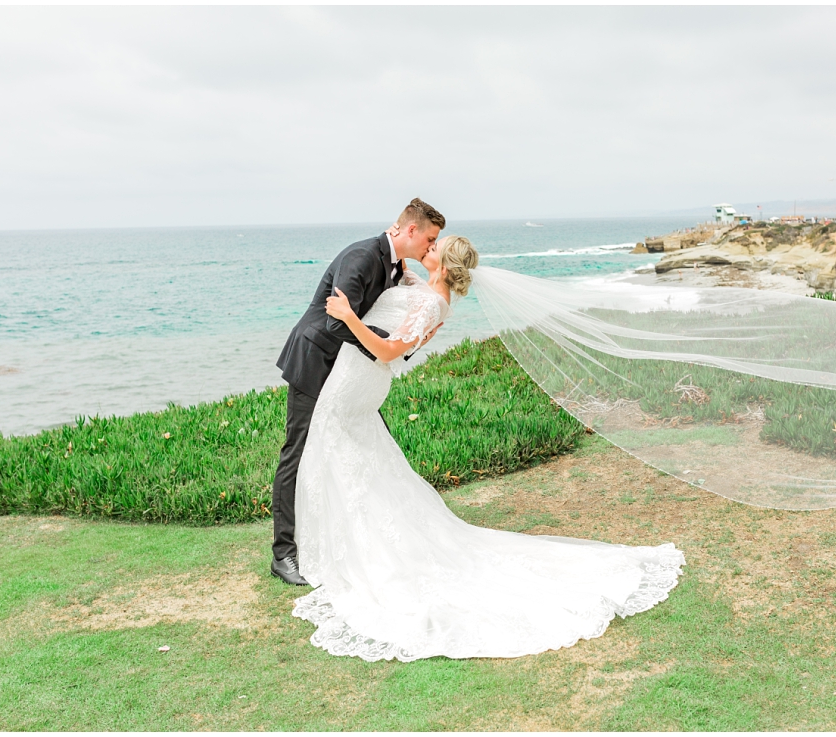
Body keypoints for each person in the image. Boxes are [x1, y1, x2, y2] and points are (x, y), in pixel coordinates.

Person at [291, 235, 686, 661]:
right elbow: (402, 318)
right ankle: (347, 545)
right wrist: (402, 278)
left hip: (358, 379)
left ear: (444, 265)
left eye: (435, 247)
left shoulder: (432, 304)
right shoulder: (427, 294)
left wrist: (349, 317)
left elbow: (389, 351)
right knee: (358, 462)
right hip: (356, 381)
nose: (429, 247)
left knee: (345, 457)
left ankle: (359, 554)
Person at [269, 198, 445, 586]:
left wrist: (404, 342)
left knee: (366, 445)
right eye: (429, 238)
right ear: (410, 230)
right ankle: (283, 554)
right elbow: (335, 323)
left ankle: (356, 534)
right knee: (297, 452)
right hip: (316, 360)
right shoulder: (363, 256)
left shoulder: (396, 266)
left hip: (351, 373)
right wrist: (391, 346)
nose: (430, 248)